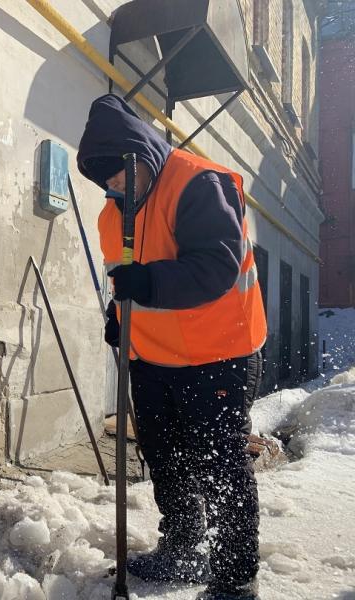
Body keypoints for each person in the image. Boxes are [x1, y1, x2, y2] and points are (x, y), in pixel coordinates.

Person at [77, 95, 267, 600]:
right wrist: (117, 318)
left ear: (142, 153)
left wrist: (148, 284)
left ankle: (234, 578)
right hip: (153, 359)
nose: (114, 187)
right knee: (166, 458)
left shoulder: (196, 183)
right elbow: (125, 277)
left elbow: (217, 266)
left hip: (218, 355)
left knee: (219, 463)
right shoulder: (111, 214)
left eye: (120, 175)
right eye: (105, 181)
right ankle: (183, 546)